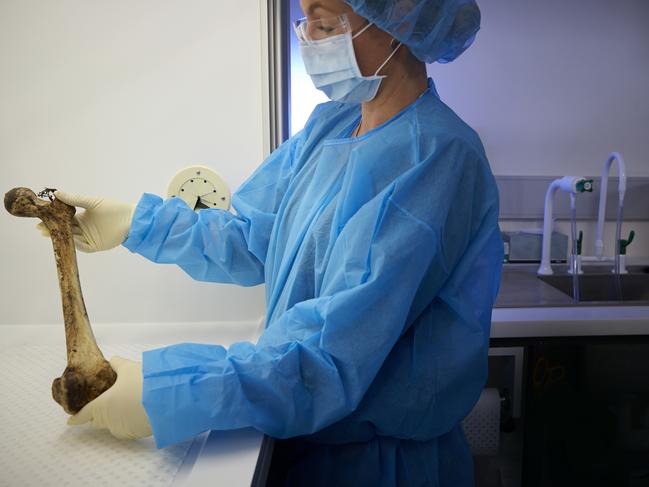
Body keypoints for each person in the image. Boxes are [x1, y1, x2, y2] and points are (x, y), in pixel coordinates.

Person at [39, 0, 503, 484]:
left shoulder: (438, 158)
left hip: (381, 466)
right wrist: (138, 222)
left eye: (326, 24)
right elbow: (255, 241)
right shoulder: (331, 127)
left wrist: (171, 388)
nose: (310, 41)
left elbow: (331, 355)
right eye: (307, 24)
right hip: (304, 437)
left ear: (397, 25)